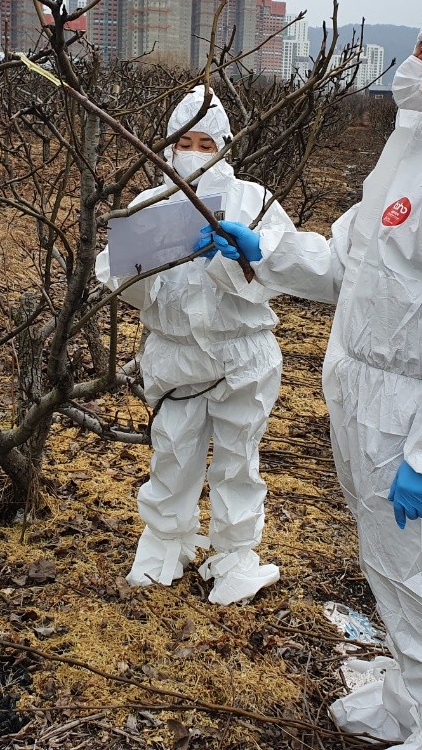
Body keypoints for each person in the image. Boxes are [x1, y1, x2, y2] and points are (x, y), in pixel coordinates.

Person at [204, 3, 422, 750]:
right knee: (391, 566)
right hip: (366, 396)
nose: (412, 68)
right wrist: (263, 250)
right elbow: (347, 268)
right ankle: (408, 701)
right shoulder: (407, 160)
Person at [96, 85, 297, 605]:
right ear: (167, 144)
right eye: (186, 140)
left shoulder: (254, 201)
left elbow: (285, 266)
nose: (195, 152)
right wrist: (144, 259)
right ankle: (166, 540)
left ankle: (233, 553)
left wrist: (234, 260)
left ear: (226, 145)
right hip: (174, 351)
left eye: (207, 144)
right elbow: (118, 278)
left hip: (241, 353)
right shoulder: (148, 203)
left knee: (237, 457)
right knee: (174, 451)